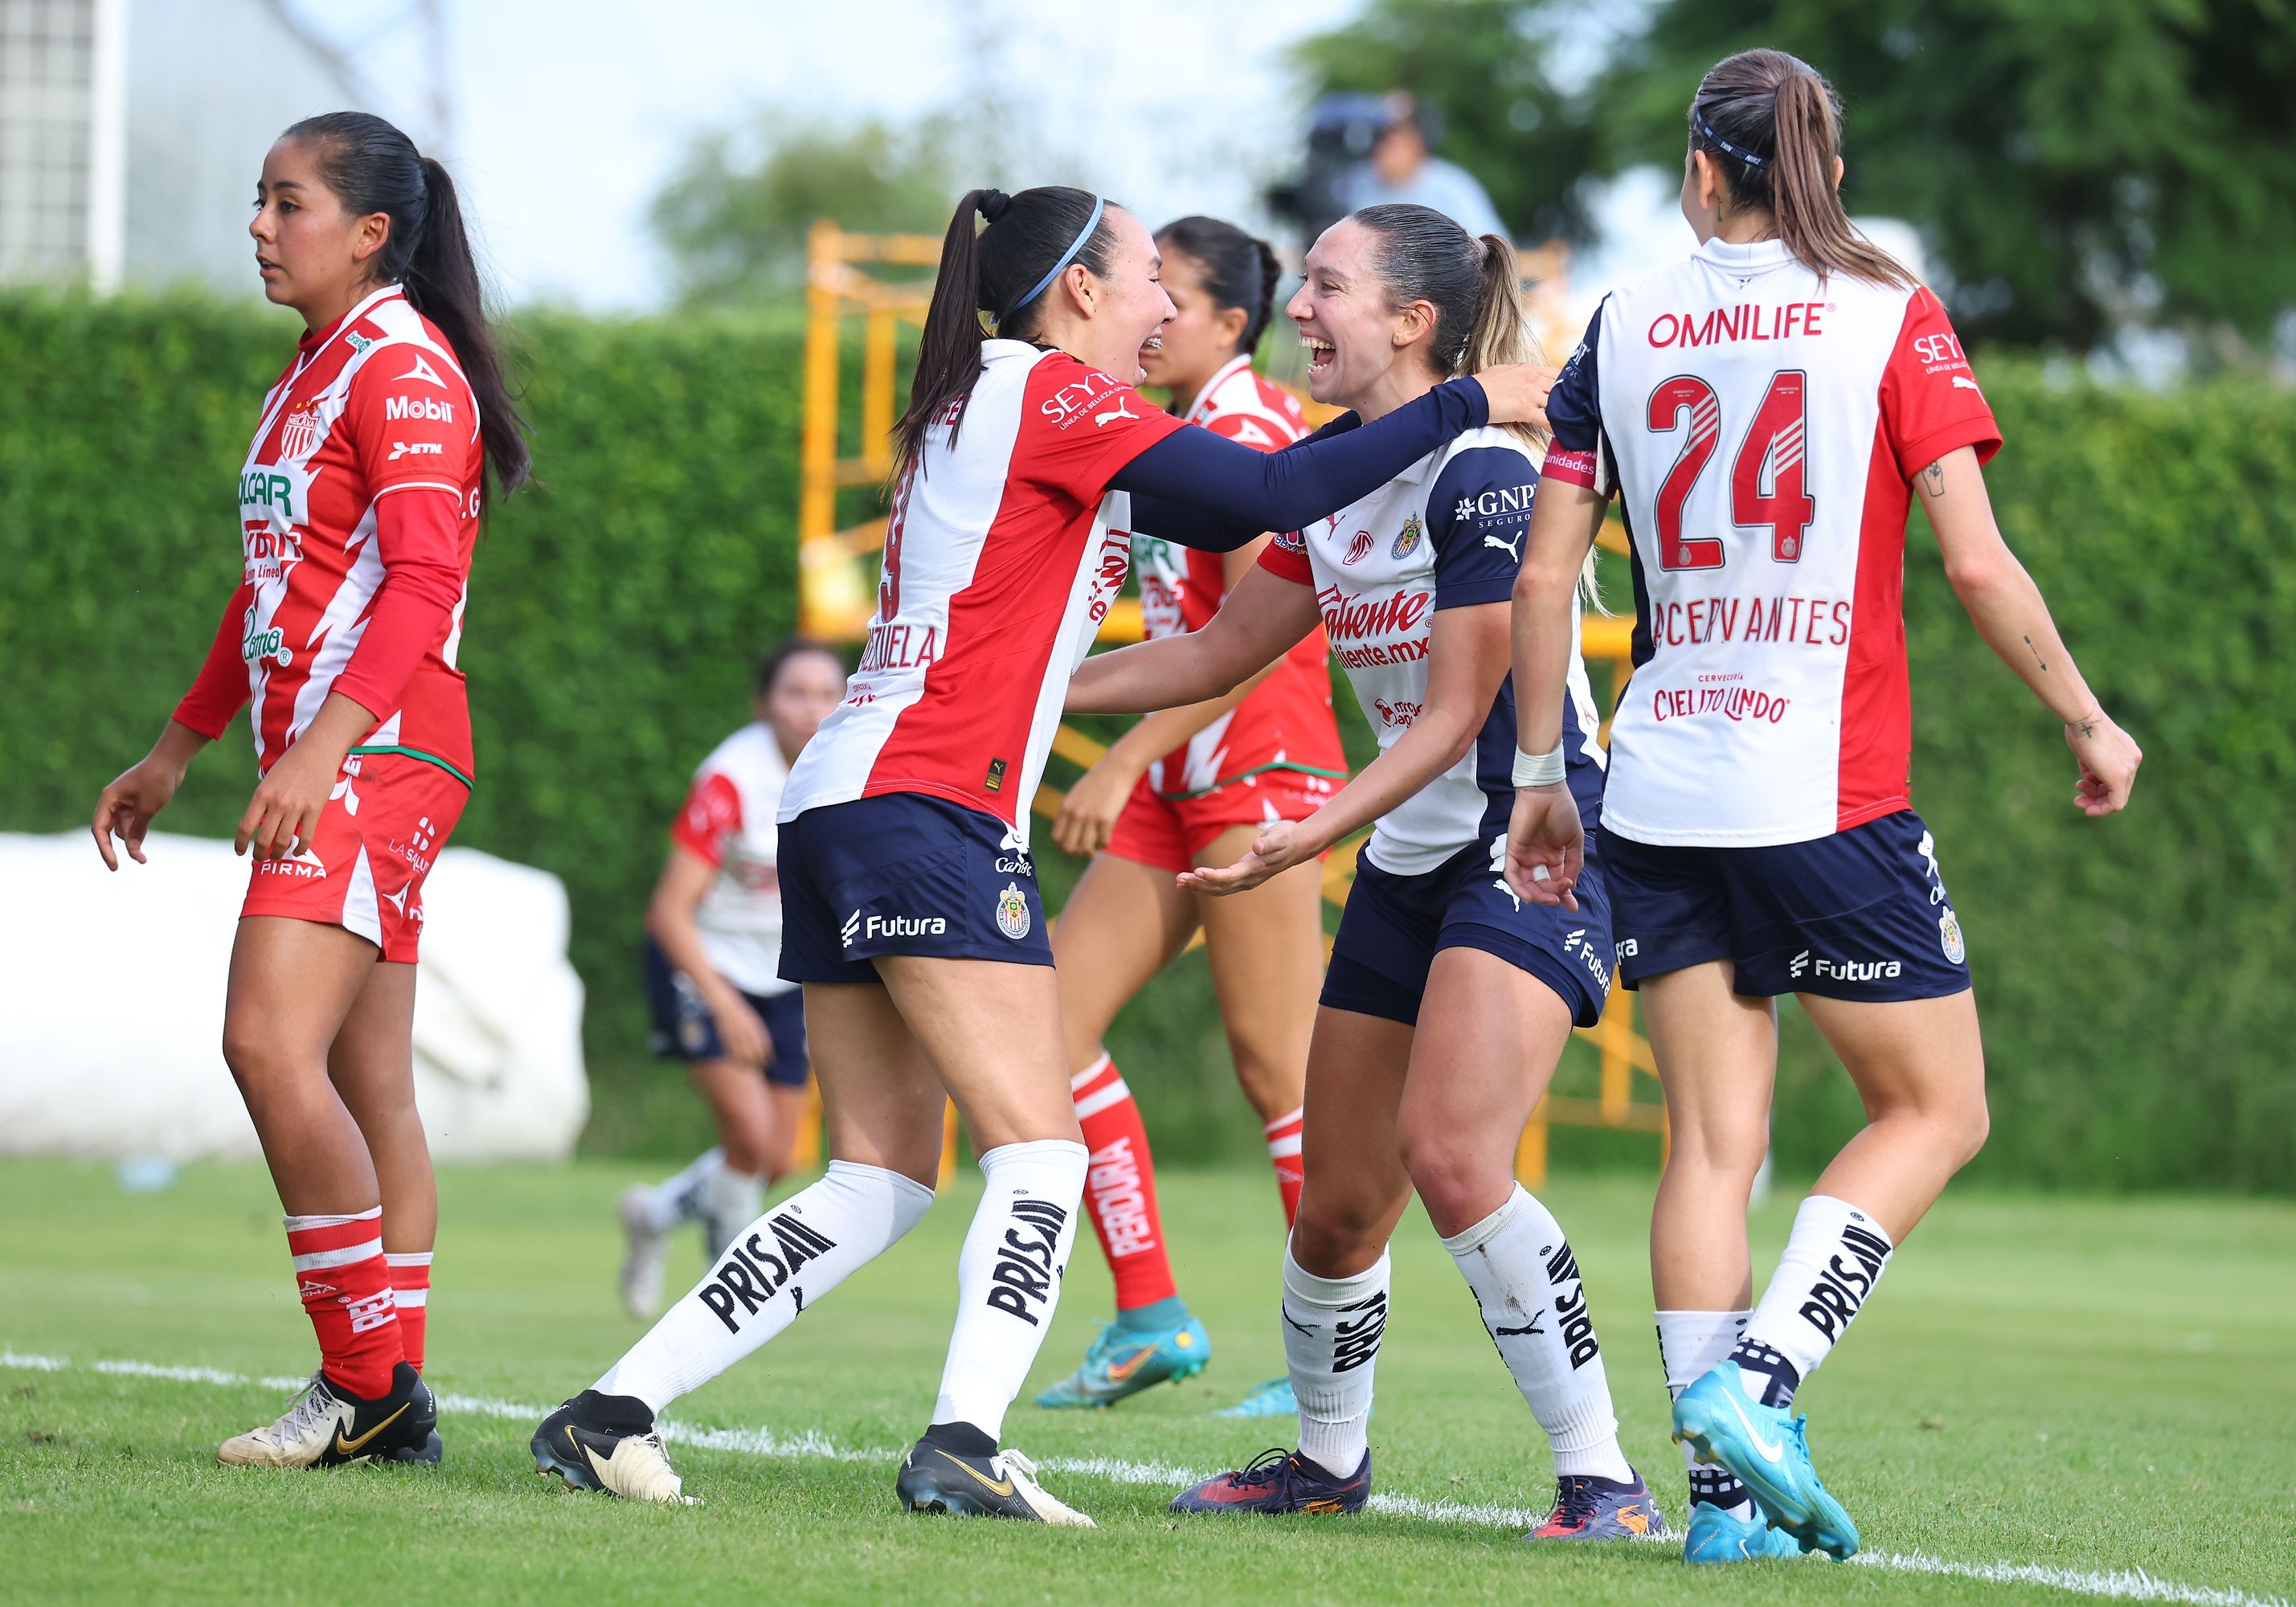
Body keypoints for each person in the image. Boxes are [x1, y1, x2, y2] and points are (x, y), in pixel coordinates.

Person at [527, 184, 1554, 1519]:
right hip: (931, 806)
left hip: (846, 800)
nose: (1167, 307)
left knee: (881, 1177)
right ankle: (965, 1444)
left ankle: (608, 1415)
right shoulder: (1045, 392)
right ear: (1077, 289)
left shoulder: (978, 398)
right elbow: (1270, 484)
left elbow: (1135, 622)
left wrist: (1050, 689)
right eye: (1144, 279)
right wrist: (1482, 396)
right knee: (1043, 1150)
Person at [1502, 49, 2143, 1564]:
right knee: (1937, 1108)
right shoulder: (1890, 310)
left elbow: (1545, 579)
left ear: (1700, 168)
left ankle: (1722, 1516)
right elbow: (1977, 566)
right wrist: (2088, 716)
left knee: (1711, 1146)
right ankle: (1765, 1391)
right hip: (1823, 786)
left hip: (1656, 783)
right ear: (1826, 171)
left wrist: (1543, 781)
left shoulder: (1625, 319)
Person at [1066, 203, 1664, 1544]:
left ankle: (1602, 1478)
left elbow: (1460, 715)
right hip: (1408, 850)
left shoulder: (1485, 474)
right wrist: (1028, 690)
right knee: (1337, 1209)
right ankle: (1327, 1464)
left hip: (1529, 845)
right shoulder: (1337, 474)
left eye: (1326, 288)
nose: (1300, 311)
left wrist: (1309, 829)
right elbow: (1215, 654)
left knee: (1451, 1157)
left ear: (1410, 322)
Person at [88, 111, 529, 1469]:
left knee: (267, 1048)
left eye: (288, 205)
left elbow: (423, 584)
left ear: (371, 232)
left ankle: (365, 1387)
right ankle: (391, 1389)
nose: (261, 228)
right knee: (366, 1077)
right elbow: (274, 588)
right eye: (260, 202)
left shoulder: (400, 363)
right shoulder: (315, 368)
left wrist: (321, 748)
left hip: (383, 748)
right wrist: (180, 743)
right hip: (360, 744)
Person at [1033, 216, 1341, 1417]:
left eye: (1175, 292)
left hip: (1258, 771)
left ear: (1230, 324)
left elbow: (1257, 643)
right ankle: (1151, 1313)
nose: (1152, 309)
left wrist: (1116, 761)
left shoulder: (1254, 427)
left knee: (1283, 1075)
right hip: (1181, 779)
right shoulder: (1173, 429)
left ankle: (1325, 1358)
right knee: (1047, 1035)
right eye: (1144, 285)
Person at [617, 639, 849, 1318]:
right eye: (795, 693)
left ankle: (656, 1215)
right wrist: (725, 1005)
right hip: (703, 964)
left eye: (828, 693)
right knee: (747, 1138)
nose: (813, 709)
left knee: (777, 1157)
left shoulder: (848, 770)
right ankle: (725, 1300)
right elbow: (667, 911)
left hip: (781, 973)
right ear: (763, 704)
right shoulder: (731, 779)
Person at [1333, 93, 1507, 241]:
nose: (1382, 148)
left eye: (1393, 141)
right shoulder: (1359, 182)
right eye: (1380, 138)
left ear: (1419, 145)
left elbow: (1492, 247)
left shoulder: (1451, 186)